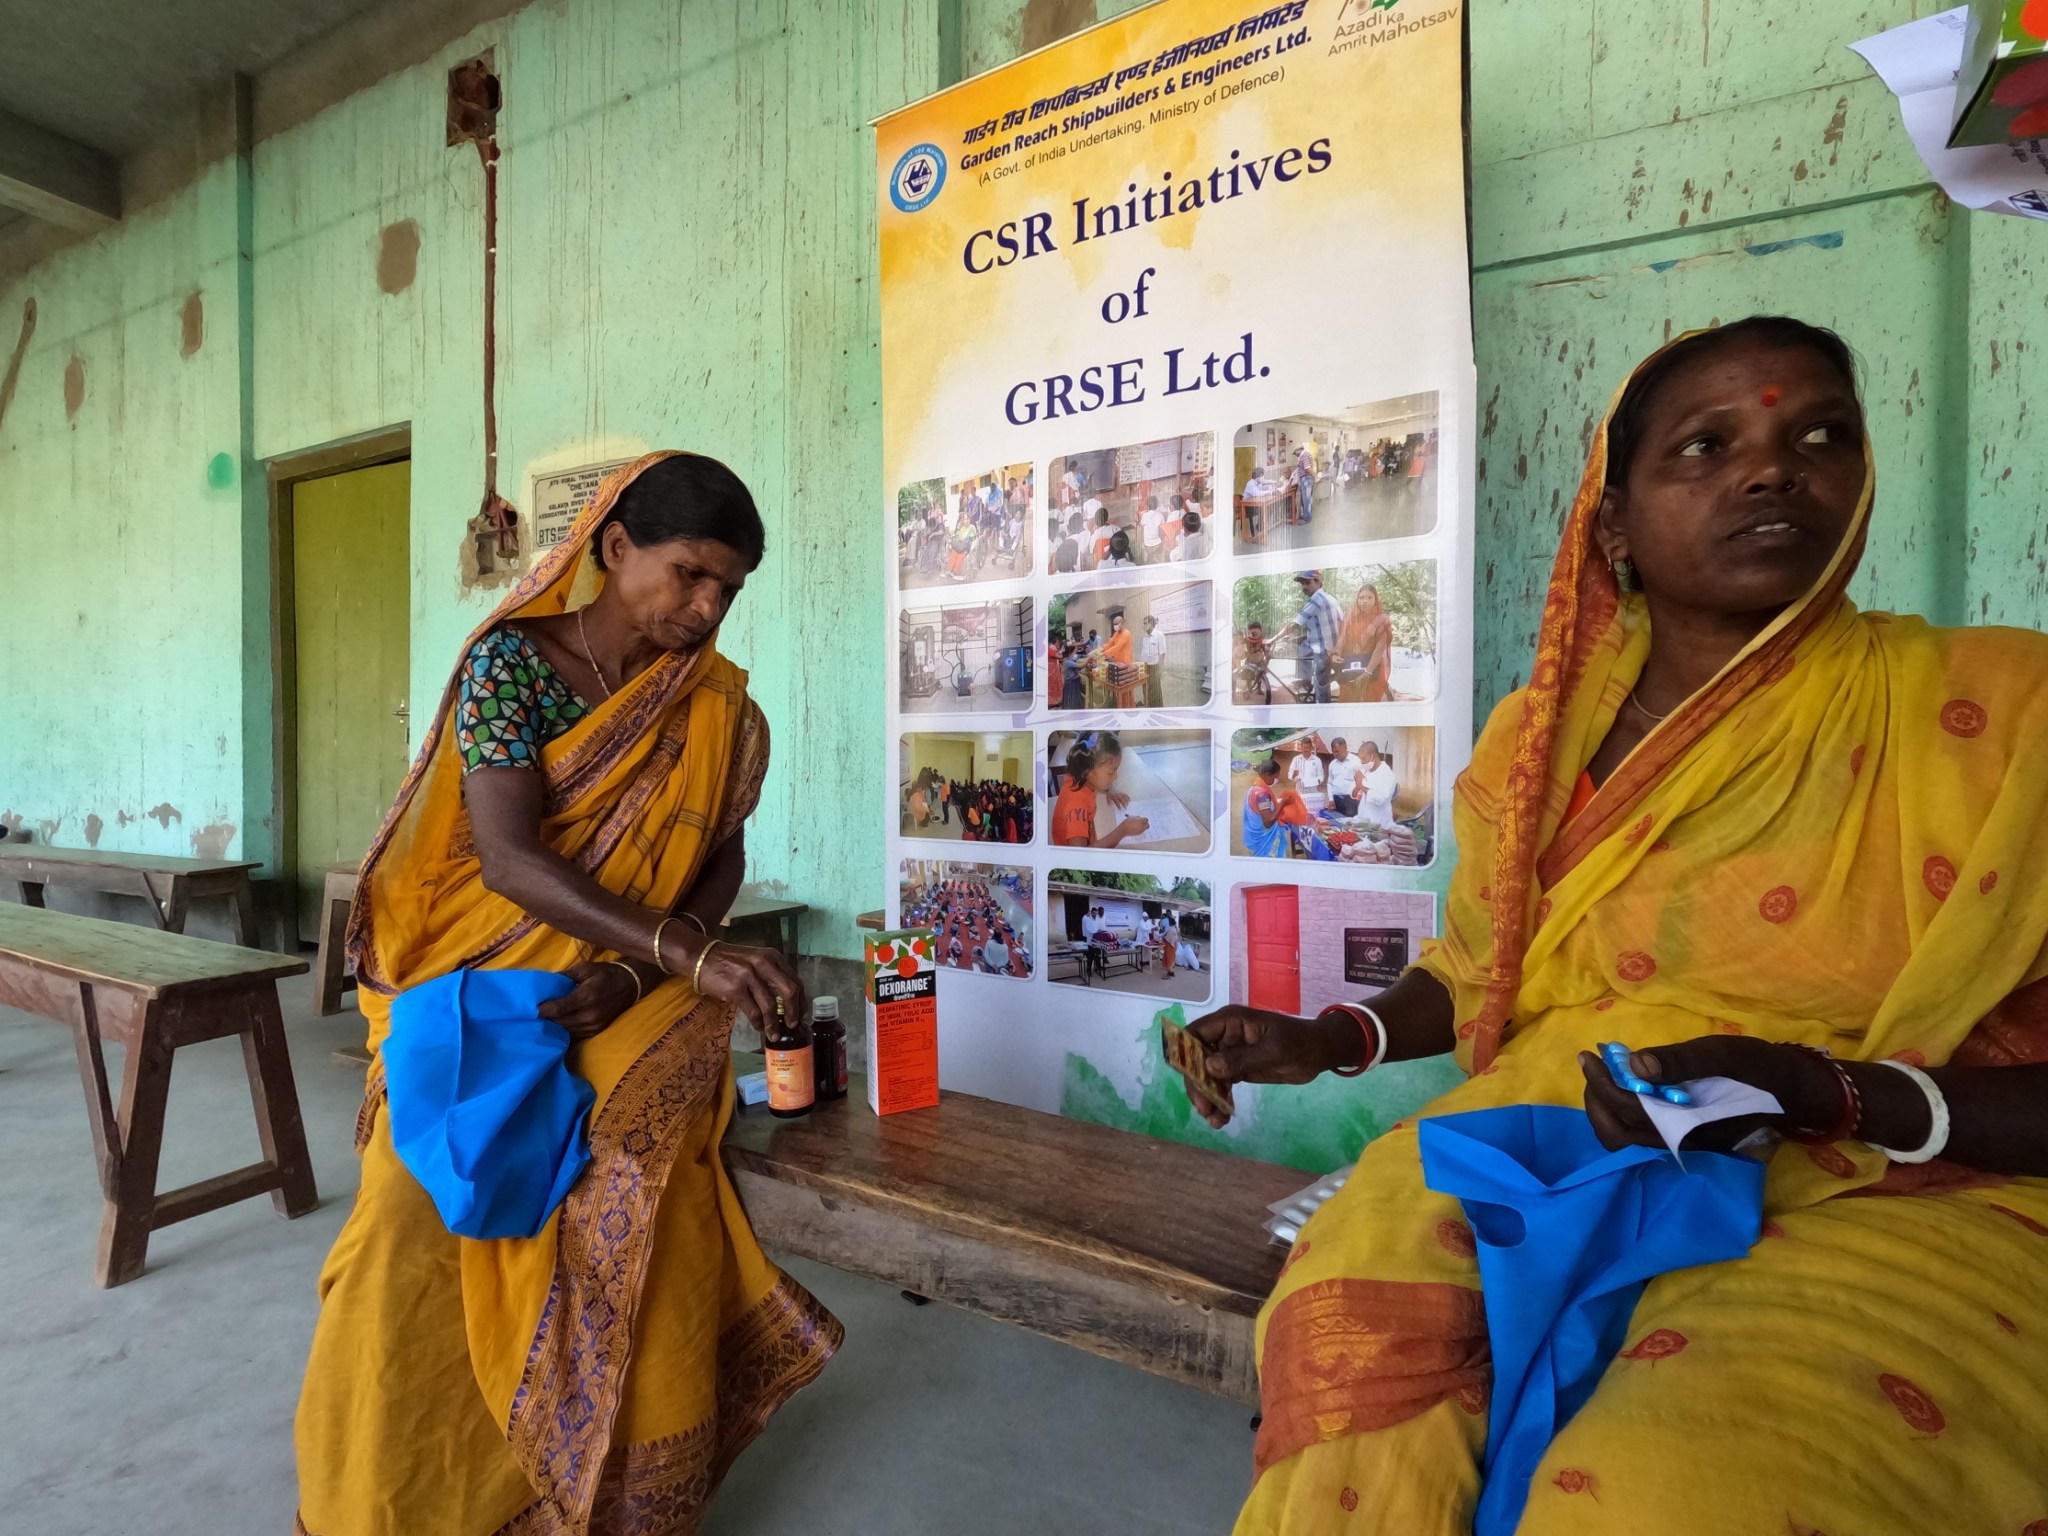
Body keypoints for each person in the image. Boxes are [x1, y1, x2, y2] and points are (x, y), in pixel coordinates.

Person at [1186, 318, 2048, 1536]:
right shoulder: (1531, 743)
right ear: (1612, 520)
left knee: (1672, 1487)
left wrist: (1818, 1092)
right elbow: (1478, 966)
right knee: (1343, 1325)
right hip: (1558, 1121)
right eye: (1706, 445)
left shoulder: (2002, 715)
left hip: (1895, 1176)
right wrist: (1331, 1039)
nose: (1769, 469)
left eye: (1819, 437)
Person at [294, 454, 839, 1536]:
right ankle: (382, 1503)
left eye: (727, 589)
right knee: (408, 1219)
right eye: (687, 574)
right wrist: (684, 954)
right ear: (613, 546)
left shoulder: (722, 712)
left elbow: (717, 860)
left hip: (629, 983)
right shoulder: (513, 668)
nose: (703, 607)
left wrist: (642, 969)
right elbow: (505, 860)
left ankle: (602, 1483)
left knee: (631, 1167)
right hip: (485, 992)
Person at [1051, 733, 1149, 848]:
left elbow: (1096, 778)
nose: (1116, 777)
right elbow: (1080, 857)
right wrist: (1123, 830)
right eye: (1111, 772)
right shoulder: (1077, 806)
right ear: (1089, 772)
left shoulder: (1077, 776)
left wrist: (1110, 788)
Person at [1283, 568, 1342, 703]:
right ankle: (1307, 681)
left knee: (1321, 687)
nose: (1304, 587)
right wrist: (1302, 637)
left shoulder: (1315, 600)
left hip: (1323, 651)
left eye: (1307, 583)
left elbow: (1295, 623)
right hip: (1337, 647)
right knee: (1302, 646)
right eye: (1302, 583)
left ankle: (1308, 684)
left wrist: (1272, 639)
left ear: (1318, 582)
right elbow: (1324, 625)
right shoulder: (1331, 599)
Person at [1336, 582, 1395, 702]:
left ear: (1376, 600)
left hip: (1372, 667)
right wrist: (1335, 653)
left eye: (1369, 597)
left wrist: (1367, 673)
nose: (1365, 601)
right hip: (1350, 666)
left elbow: (1380, 648)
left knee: (1369, 699)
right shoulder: (1349, 618)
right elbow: (1341, 639)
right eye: (1361, 597)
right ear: (1357, 599)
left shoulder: (1381, 620)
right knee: (1349, 700)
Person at [1099, 610, 1140, 707]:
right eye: (1114, 624)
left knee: (1127, 689)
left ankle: (1130, 707)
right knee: (1119, 689)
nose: (1115, 626)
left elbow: (1117, 647)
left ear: (1122, 623)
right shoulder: (1116, 634)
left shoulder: (1126, 633)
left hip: (1126, 664)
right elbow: (1110, 644)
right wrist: (1101, 649)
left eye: (1117, 624)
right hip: (1118, 664)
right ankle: (1121, 706)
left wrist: (1105, 654)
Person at [1358, 738, 1398, 827]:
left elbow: (1381, 798)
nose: (1362, 762)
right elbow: (1358, 793)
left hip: (1379, 825)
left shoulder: (1387, 774)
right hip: (1363, 822)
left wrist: (1361, 785)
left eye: (1363, 758)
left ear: (1373, 756)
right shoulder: (1366, 771)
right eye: (1360, 759)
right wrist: (1358, 786)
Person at [1325, 736, 1365, 818]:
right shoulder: (1332, 764)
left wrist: (1358, 797)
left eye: (1338, 751)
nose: (1336, 754)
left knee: (1350, 826)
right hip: (1336, 801)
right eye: (1334, 752)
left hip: (1351, 801)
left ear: (1345, 748)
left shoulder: (1356, 761)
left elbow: (1363, 780)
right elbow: (1330, 783)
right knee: (1337, 825)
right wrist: (1331, 799)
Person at [1286, 742, 1326, 810]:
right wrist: (1294, 775)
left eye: (1308, 747)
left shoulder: (1317, 760)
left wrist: (1315, 781)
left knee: (1312, 812)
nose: (1306, 750)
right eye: (1304, 747)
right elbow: (1290, 775)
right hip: (1300, 791)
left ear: (1311, 748)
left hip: (1312, 792)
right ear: (1301, 748)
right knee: (1300, 811)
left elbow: (1321, 776)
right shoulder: (1296, 759)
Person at [1141, 614, 1168, 708]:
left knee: (1155, 691)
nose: (1143, 626)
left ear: (1151, 623)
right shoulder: (1145, 637)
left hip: (1155, 667)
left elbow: (1162, 653)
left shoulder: (1159, 634)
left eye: (1145, 623)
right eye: (1143, 623)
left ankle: (1158, 710)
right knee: (1146, 690)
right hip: (1146, 667)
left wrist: (1160, 670)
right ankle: (1148, 707)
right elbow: (1144, 654)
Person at [1140, 495, 1166, 560]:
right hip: (1158, 543)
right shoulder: (1160, 515)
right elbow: (1163, 529)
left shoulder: (1145, 515)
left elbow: (1142, 526)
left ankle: (1150, 558)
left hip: (1147, 543)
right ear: (1157, 505)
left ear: (1148, 506)